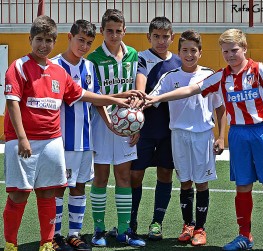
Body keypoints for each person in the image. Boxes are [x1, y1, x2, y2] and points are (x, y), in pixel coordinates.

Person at [146, 28, 263, 251]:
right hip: (238, 135)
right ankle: (244, 236)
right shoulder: (221, 76)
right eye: (225, 51)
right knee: (242, 186)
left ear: (244, 48)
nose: (230, 55)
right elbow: (190, 90)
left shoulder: (259, 69)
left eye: (234, 50)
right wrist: (157, 98)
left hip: (262, 132)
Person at [2, 15, 139, 251]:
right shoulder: (34, 65)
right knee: (34, 193)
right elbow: (13, 102)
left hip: (73, 142)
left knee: (67, 189)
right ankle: (31, 240)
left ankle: (65, 236)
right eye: (39, 39)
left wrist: (117, 99)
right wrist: (22, 137)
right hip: (48, 142)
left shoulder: (78, 68)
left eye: (88, 42)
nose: (43, 45)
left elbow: (87, 96)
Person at [150, 30, 226, 246]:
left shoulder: (209, 76)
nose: (189, 54)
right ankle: (188, 225)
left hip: (202, 136)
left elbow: (221, 109)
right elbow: (153, 99)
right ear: (179, 52)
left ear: (200, 53)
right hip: (179, 135)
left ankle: (201, 229)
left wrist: (220, 137)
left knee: (201, 183)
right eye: (185, 50)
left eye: (194, 50)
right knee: (185, 182)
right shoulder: (170, 77)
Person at [87, 9, 146, 247]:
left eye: (118, 31)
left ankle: (124, 231)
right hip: (102, 125)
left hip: (125, 126)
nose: (114, 35)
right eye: (109, 31)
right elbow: (95, 97)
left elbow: (137, 94)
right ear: (101, 31)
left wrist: (135, 121)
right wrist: (109, 121)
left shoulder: (133, 55)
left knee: (123, 176)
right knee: (100, 178)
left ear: (124, 31)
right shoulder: (92, 59)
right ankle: (98, 230)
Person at [50, 20, 104, 251]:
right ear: (69, 37)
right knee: (57, 188)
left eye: (89, 43)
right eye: (80, 40)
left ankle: (74, 234)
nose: (84, 46)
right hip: (60, 141)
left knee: (79, 186)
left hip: (84, 141)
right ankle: (54, 236)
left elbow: (97, 100)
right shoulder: (53, 66)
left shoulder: (90, 67)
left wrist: (112, 125)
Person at [130, 16, 182, 240]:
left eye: (165, 37)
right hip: (144, 128)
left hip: (169, 130)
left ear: (172, 37)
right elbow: (140, 83)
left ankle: (156, 223)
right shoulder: (141, 58)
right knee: (135, 174)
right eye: (156, 36)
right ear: (148, 37)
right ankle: (130, 222)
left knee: (165, 173)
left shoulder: (180, 62)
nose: (161, 41)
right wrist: (137, 115)